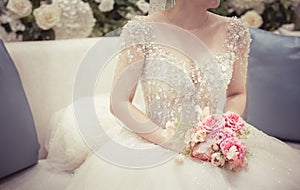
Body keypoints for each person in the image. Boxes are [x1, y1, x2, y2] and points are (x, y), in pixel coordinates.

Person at [62, 0, 300, 189]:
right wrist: (173, 141)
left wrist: (221, 130)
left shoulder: (234, 31)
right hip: (156, 141)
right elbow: (119, 102)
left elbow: (237, 93)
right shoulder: (141, 30)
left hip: (216, 144)